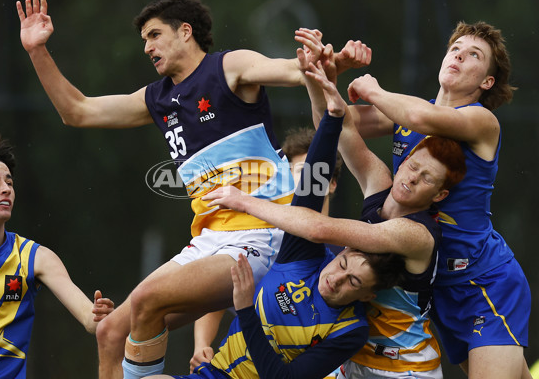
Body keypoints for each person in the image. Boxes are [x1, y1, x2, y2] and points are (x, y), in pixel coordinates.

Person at [16, 0, 371, 379]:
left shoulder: (229, 67)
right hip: (208, 240)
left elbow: (292, 69)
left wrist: (329, 61)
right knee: (110, 330)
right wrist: (37, 51)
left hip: (261, 235)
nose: (147, 47)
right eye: (144, 40)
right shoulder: (157, 98)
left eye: (153, 35)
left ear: (185, 31)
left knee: (148, 299)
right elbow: (77, 112)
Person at [206, 47, 468, 379]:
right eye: (413, 166)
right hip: (354, 365)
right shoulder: (380, 185)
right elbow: (336, 129)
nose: (413, 177)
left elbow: (317, 229)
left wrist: (244, 201)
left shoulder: (415, 234)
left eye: (426, 177)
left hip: (404, 370)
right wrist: (325, 83)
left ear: (439, 194)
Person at [146, 84, 405, 379]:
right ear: (344, 252)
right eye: (343, 265)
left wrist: (245, 309)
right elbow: (310, 189)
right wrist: (332, 118)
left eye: (353, 282)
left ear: (369, 295)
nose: (336, 279)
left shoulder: (350, 329)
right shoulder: (304, 255)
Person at [346, 21, 531, 379]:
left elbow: (418, 116)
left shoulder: (481, 120)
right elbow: (336, 122)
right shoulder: (405, 111)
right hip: (435, 287)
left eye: (474, 55)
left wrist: (372, 87)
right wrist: (327, 71)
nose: (459, 55)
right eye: (455, 48)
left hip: (484, 282)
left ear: (486, 82)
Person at [0, 128, 114, 378]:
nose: (6, 189)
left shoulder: (37, 258)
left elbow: (89, 318)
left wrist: (100, 316)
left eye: (9, 182)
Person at [189, 127, 343, 373]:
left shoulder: (345, 258)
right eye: (299, 172)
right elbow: (217, 293)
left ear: (332, 183)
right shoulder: (264, 239)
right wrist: (201, 345)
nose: (305, 182)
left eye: (313, 174)